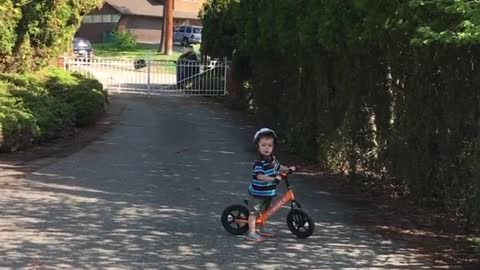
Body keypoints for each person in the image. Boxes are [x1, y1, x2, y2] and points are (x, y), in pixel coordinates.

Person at [245, 128, 296, 242]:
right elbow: (259, 176)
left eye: (269, 145)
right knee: (254, 212)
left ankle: (262, 229)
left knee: (265, 212)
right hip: (258, 193)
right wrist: (273, 179)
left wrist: (288, 169)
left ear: (273, 147)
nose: (267, 148)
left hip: (268, 192)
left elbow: (278, 167)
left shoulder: (272, 160)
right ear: (258, 147)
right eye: (263, 145)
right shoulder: (259, 163)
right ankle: (251, 233)